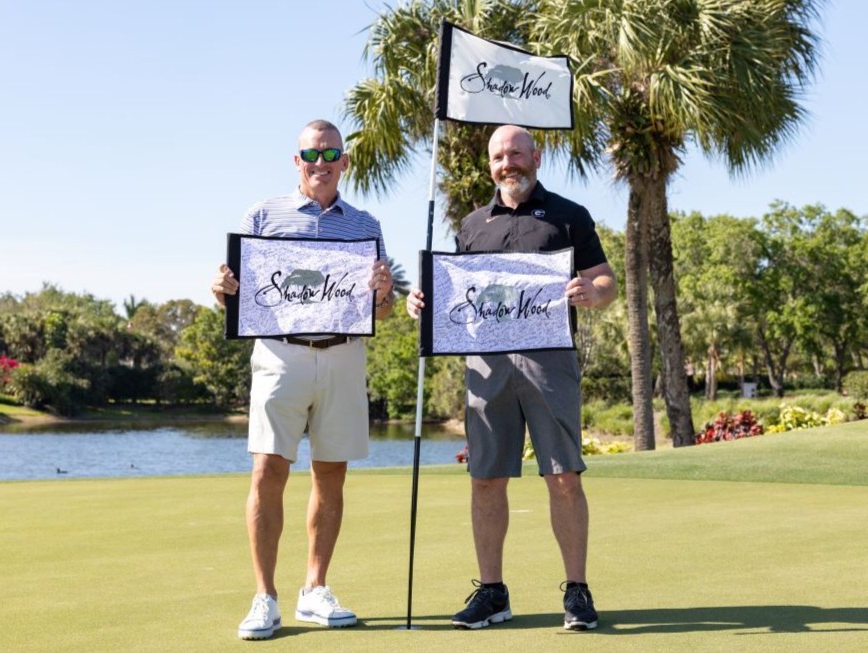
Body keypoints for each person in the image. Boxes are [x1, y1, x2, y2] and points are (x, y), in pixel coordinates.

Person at [406, 124, 617, 632]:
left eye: (517, 154)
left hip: (550, 362)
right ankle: (492, 593)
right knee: (485, 478)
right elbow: (455, 296)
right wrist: (423, 304)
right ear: (490, 165)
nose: (509, 164)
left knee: (563, 476)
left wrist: (595, 293)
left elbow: (606, 279)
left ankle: (578, 592)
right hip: (486, 364)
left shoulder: (569, 215)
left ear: (536, 157)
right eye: (499, 157)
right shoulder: (473, 224)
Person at [211, 119, 396, 640]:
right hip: (280, 355)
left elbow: (380, 309)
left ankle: (314, 590)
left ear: (344, 161)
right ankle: (264, 598)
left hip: (343, 356)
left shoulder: (365, 223)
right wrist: (220, 287)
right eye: (311, 155)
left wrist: (383, 293)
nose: (321, 163)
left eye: (330, 153)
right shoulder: (263, 215)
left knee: (330, 474)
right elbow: (236, 293)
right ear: (297, 162)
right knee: (268, 470)